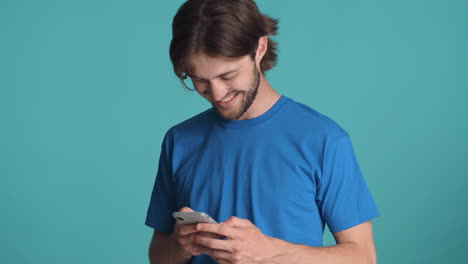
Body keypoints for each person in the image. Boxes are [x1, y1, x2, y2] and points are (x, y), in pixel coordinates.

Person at [145, 0, 380, 263]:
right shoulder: (179, 140)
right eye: (199, 79)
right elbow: (158, 254)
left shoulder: (324, 140)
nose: (217, 93)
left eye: (228, 75)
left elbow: (363, 255)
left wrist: (269, 252)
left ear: (260, 48)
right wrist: (180, 247)